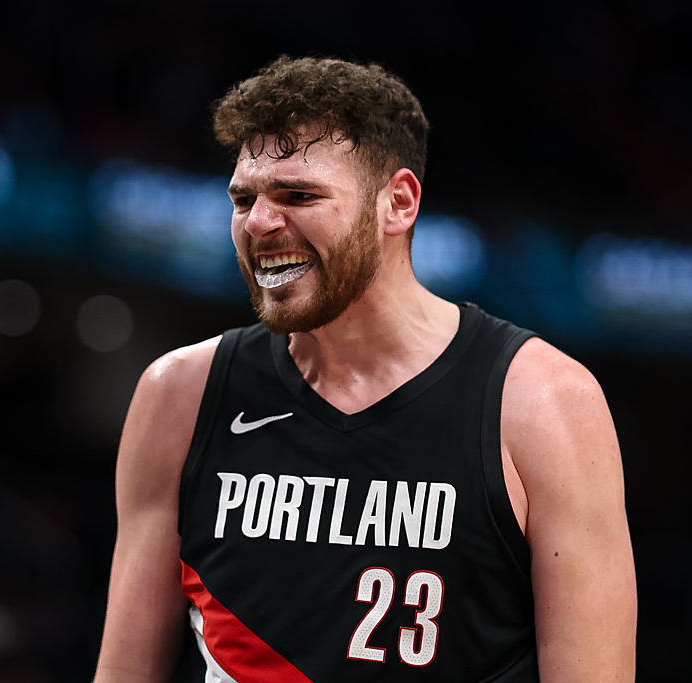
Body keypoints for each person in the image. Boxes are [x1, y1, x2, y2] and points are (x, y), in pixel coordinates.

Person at [93, 55, 637, 682]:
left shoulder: (544, 402)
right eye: (244, 199)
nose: (260, 223)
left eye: (298, 195)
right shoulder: (179, 394)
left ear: (397, 203)